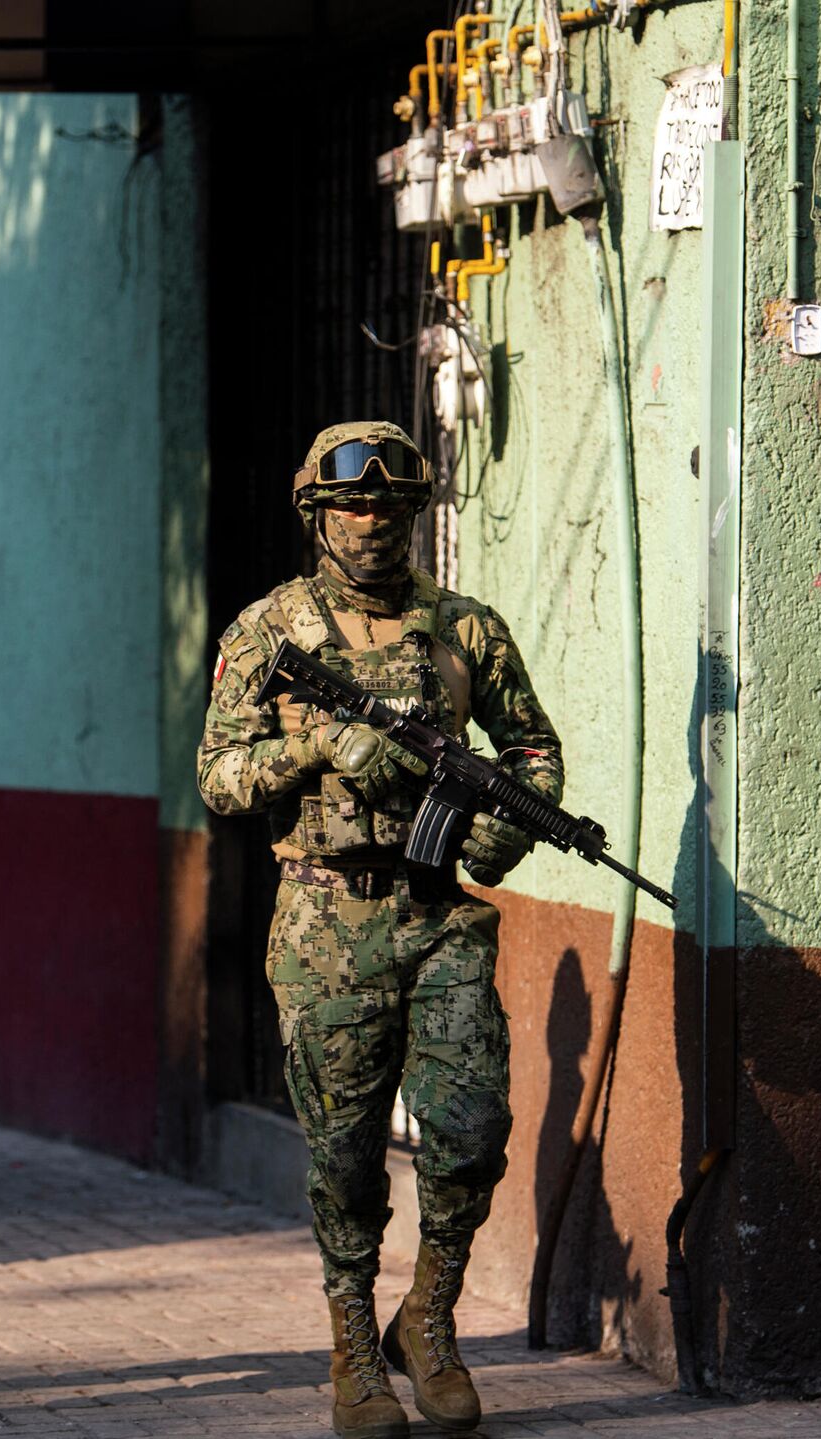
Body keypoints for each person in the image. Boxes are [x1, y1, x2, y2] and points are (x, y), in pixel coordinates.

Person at [196, 421, 563, 1438]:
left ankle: (429, 1316)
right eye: (352, 505)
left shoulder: (466, 629)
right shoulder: (269, 631)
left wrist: (506, 826)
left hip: (440, 917)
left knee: (470, 1131)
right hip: (326, 921)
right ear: (317, 515)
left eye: (390, 506)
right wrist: (316, 748)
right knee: (346, 1152)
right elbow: (219, 775)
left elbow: (532, 749)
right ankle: (354, 1343)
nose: (371, 522)